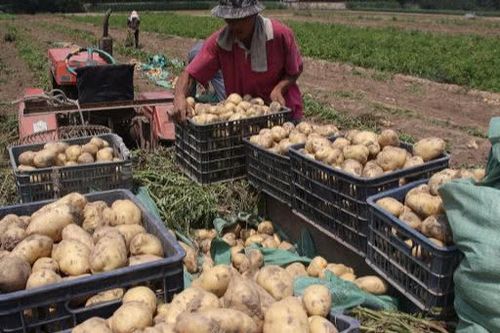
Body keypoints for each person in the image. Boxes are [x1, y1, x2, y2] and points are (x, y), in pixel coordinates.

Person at [172, 0, 304, 121]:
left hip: (283, 114)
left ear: (254, 14)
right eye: (230, 20)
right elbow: (190, 73)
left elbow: (295, 70)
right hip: (243, 118)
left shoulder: (279, 34)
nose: (235, 25)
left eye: (241, 18)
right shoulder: (220, 42)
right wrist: (179, 97)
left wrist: (279, 88)